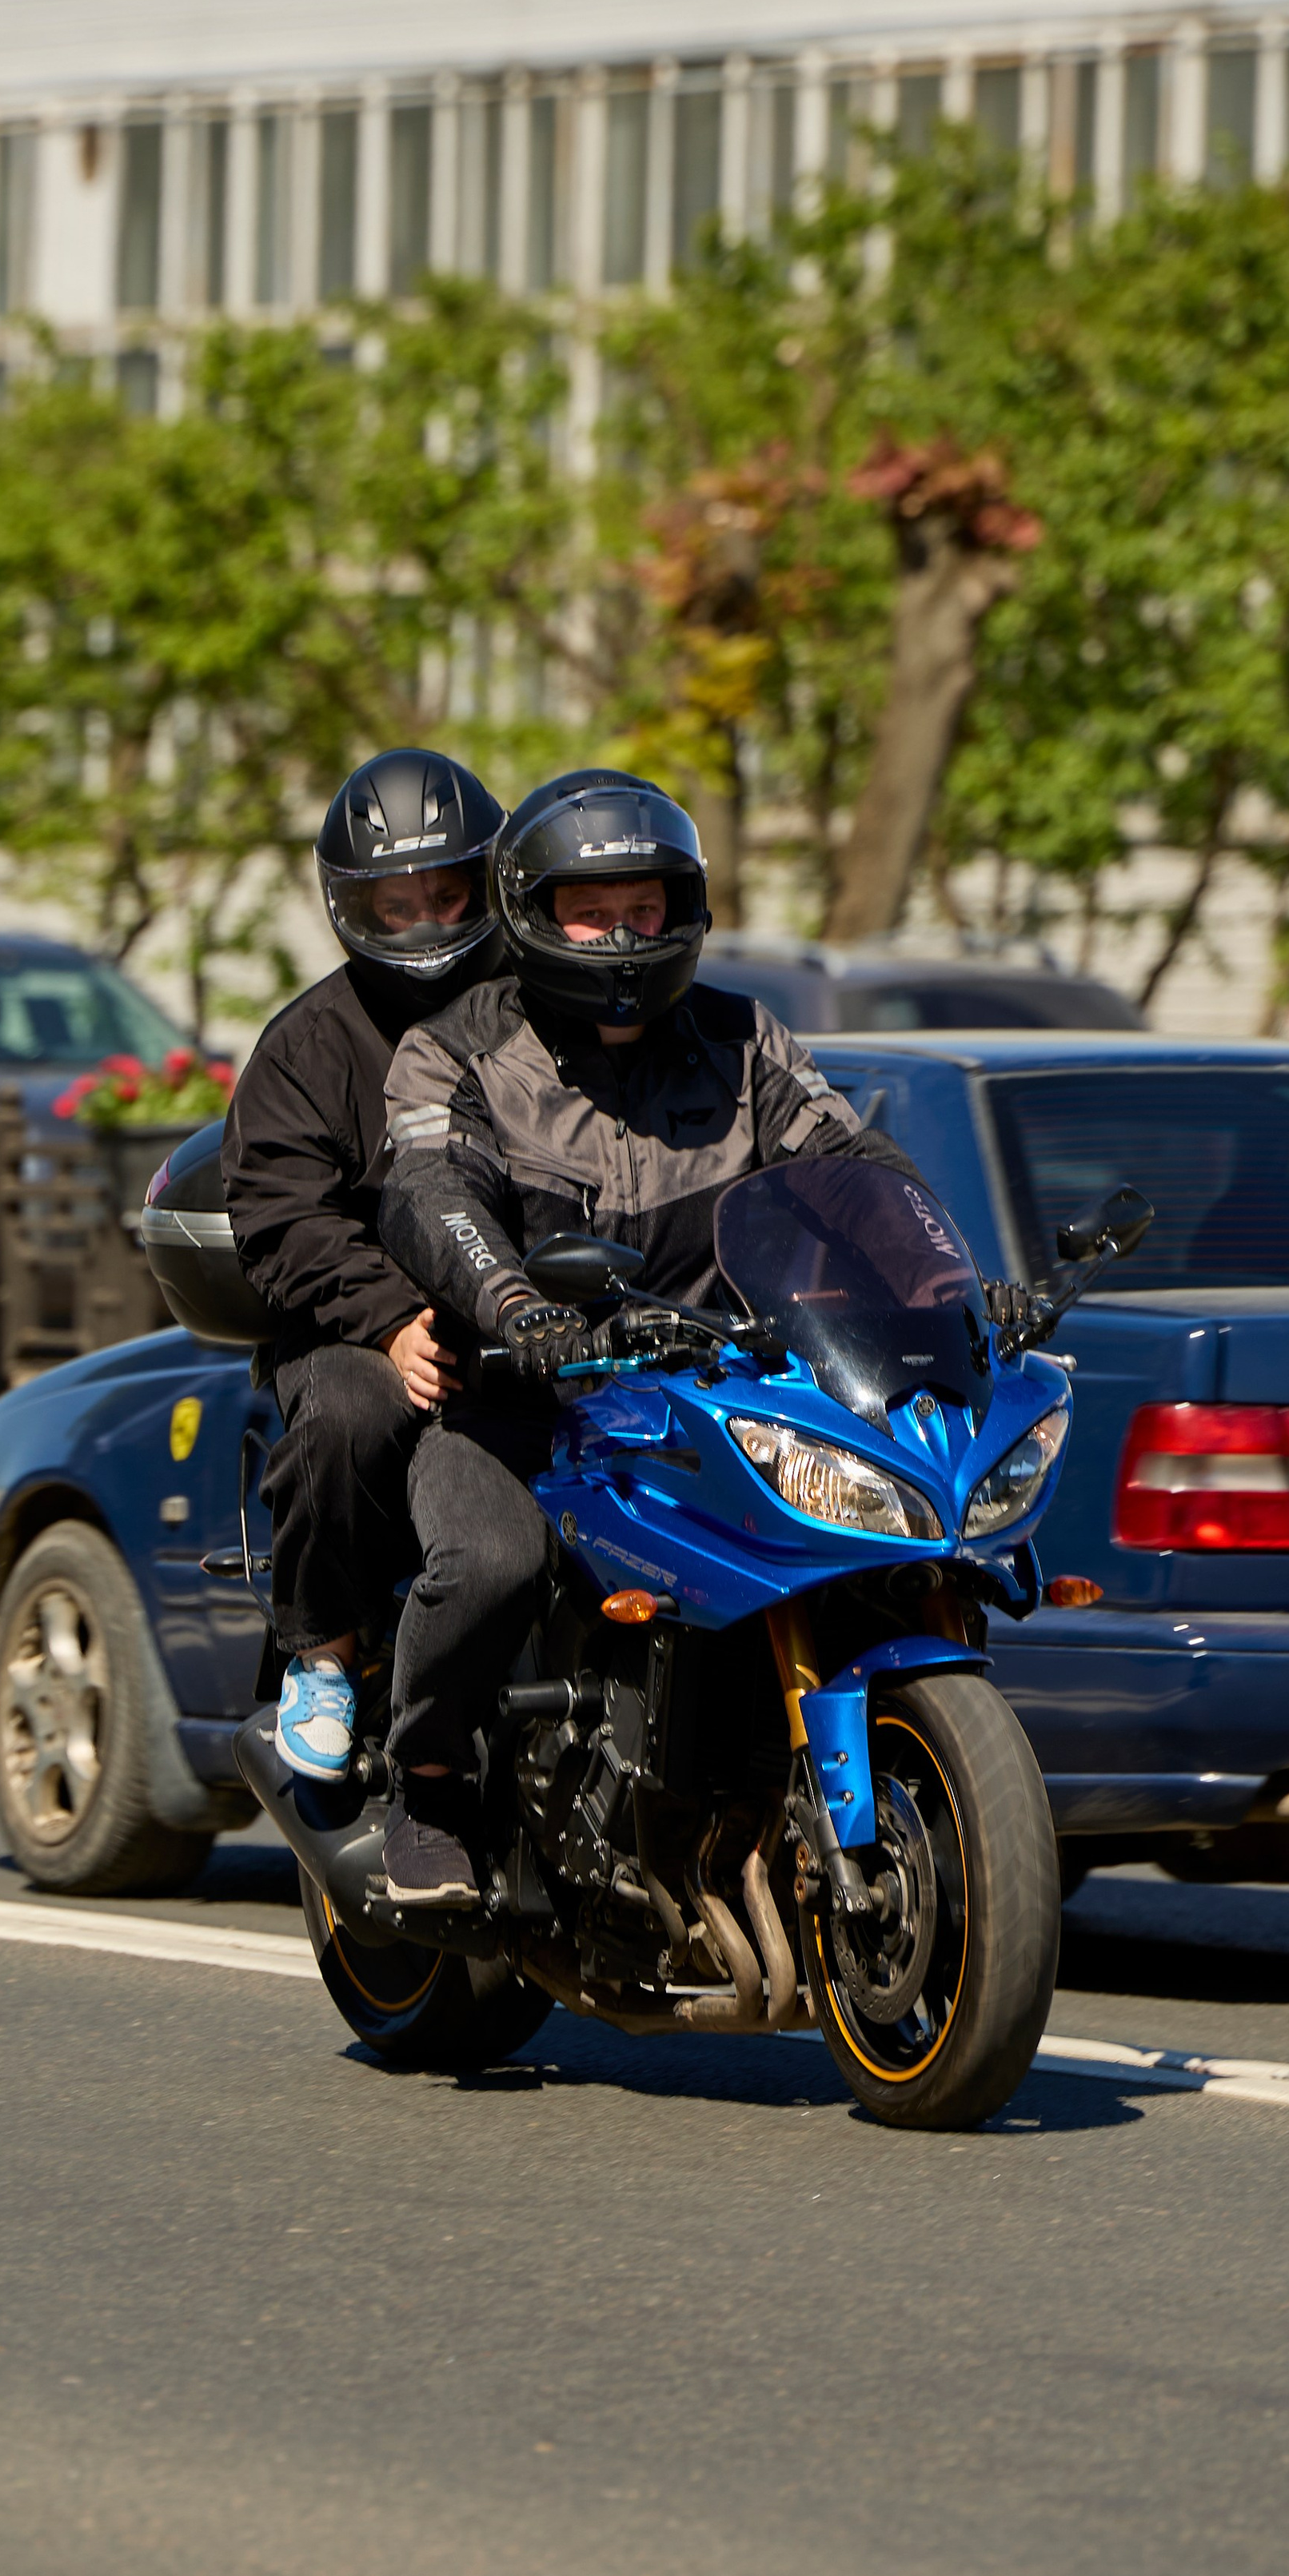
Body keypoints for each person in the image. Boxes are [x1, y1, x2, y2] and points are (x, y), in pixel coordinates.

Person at [372, 769, 1034, 1907]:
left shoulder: (741, 1037)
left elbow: (845, 1166)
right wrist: (519, 1310)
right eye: (594, 910)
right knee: (493, 1563)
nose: (624, 934)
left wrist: (949, 1285)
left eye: (647, 906)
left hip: (712, 1385)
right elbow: (434, 1195)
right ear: (534, 913)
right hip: (522, 1392)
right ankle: (425, 1786)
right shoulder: (458, 1050)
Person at [222, 746, 504, 1777]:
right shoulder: (304, 1045)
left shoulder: (542, 1013)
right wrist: (394, 1319)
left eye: (446, 893)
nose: (426, 920)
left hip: (534, 1325)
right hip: (359, 1330)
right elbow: (281, 1215)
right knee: (347, 1411)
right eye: (396, 903)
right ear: (351, 905)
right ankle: (325, 1654)